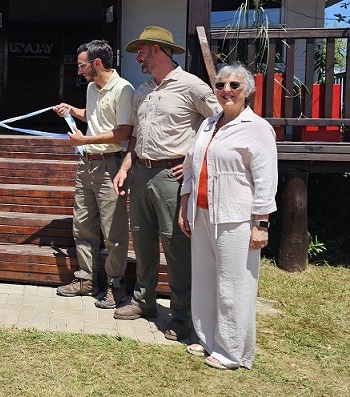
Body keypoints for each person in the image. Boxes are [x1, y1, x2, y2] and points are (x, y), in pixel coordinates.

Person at [111, 26, 221, 341]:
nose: (137, 57)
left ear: (157, 50)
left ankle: (183, 314)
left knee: (176, 247)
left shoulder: (192, 86)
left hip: (172, 176)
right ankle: (144, 301)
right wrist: (126, 167)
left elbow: (219, 124)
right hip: (141, 173)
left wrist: (193, 163)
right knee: (142, 241)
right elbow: (135, 136)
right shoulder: (143, 90)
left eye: (141, 50)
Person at [178, 64, 277, 370]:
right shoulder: (208, 124)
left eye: (235, 85)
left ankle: (233, 351)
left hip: (236, 218)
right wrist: (185, 206)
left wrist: (261, 224)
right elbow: (192, 166)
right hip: (203, 213)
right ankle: (209, 338)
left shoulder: (258, 128)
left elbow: (265, 179)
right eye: (220, 85)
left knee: (234, 284)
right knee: (206, 278)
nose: (226, 91)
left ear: (247, 90)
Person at [52, 40, 134, 309]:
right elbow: (92, 115)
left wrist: (84, 142)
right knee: (83, 225)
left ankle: (115, 286)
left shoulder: (123, 90)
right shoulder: (91, 88)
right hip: (86, 165)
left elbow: (123, 132)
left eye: (81, 65)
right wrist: (71, 110)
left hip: (110, 165)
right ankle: (86, 280)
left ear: (97, 63)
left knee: (113, 230)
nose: (79, 70)